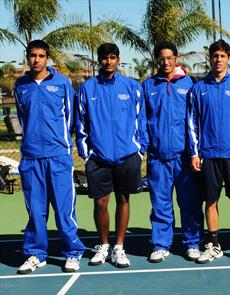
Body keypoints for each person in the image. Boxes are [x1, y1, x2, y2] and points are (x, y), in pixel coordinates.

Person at [14, 40, 85, 274]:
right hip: (31, 158)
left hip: (59, 157)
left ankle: (72, 253)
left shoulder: (62, 84)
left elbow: (72, 119)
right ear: (27, 57)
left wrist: (64, 146)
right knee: (36, 210)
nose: (36, 60)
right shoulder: (20, 85)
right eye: (32, 55)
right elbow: (24, 118)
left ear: (48, 58)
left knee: (64, 209)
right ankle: (36, 254)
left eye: (41, 56)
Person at [75, 43, 148, 268]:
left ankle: (119, 247)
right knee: (101, 202)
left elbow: (141, 120)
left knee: (123, 199)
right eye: (105, 58)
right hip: (98, 158)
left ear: (118, 60)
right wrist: (86, 154)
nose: (109, 62)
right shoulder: (87, 88)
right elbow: (81, 123)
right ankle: (104, 245)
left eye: (112, 57)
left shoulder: (132, 86)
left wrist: (140, 149)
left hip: (127, 156)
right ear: (99, 61)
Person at [188, 39, 230, 263]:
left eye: (222, 56)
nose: (218, 60)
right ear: (210, 59)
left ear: (229, 59)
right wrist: (195, 153)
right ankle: (214, 244)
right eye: (215, 56)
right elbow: (192, 123)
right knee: (211, 201)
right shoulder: (198, 89)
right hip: (208, 156)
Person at [142, 42, 203, 263]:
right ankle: (161, 245)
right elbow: (142, 119)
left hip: (185, 157)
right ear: (157, 60)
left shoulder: (191, 84)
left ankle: (192, 243)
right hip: (158, 157)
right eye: (162, 58)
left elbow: (197, 118)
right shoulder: (148, 85)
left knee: (189, 203)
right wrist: (145, 146)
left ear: (176, 58)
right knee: (160, 202)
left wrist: (196, 151)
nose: (166, 62)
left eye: (169, 58)